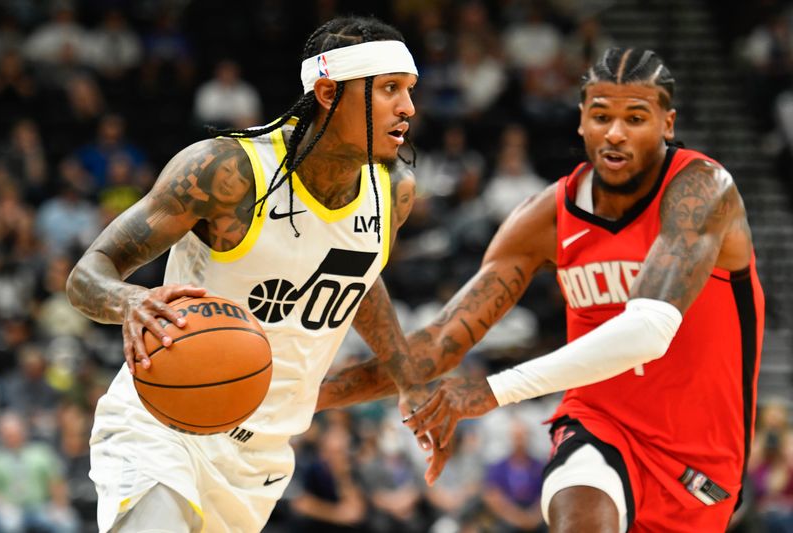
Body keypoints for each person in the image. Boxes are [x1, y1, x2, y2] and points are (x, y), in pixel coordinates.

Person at [317, 47, 765, 532]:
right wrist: (301, 397)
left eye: (635, 118)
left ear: (668, 123)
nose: (615, 133)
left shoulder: (702, 190)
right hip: (597, 423)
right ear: (581, 122)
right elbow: (440, 344)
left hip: (699, 452)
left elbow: (647, 332)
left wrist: (491, 390)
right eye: (601, 116)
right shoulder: (546, 217)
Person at [66, 15, 440, 532]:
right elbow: (88, 273)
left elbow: (357, 276)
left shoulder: (391, 191)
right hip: (164, 422)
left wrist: (407, 376)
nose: (408, 108)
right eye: (389, 90)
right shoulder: (229, 172)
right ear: (329, 93)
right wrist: (128, 300)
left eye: (411, 90)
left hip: (260, 456)